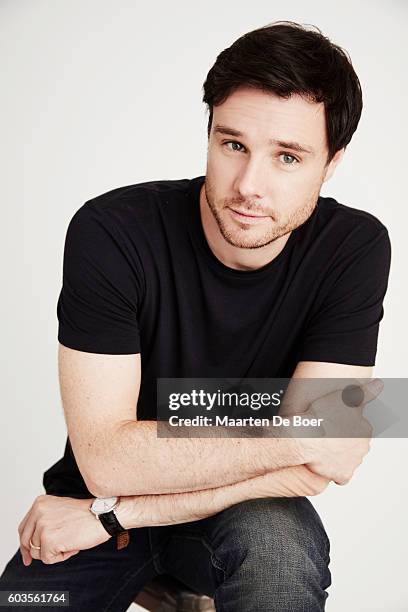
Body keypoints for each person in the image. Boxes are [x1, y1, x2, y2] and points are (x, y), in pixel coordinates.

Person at [0, 20, 391, 612]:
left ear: (332, 162)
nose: (248, 186)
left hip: (211, 510)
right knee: (33, 604)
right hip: (89, 506)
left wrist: (115, 515)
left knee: (280, 552)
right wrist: (303, 428)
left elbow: (320, 466)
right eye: (233, 145)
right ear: (208, 132)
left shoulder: (353, 248)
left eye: (287, 157)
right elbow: (104, 461)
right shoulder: (113, 232)